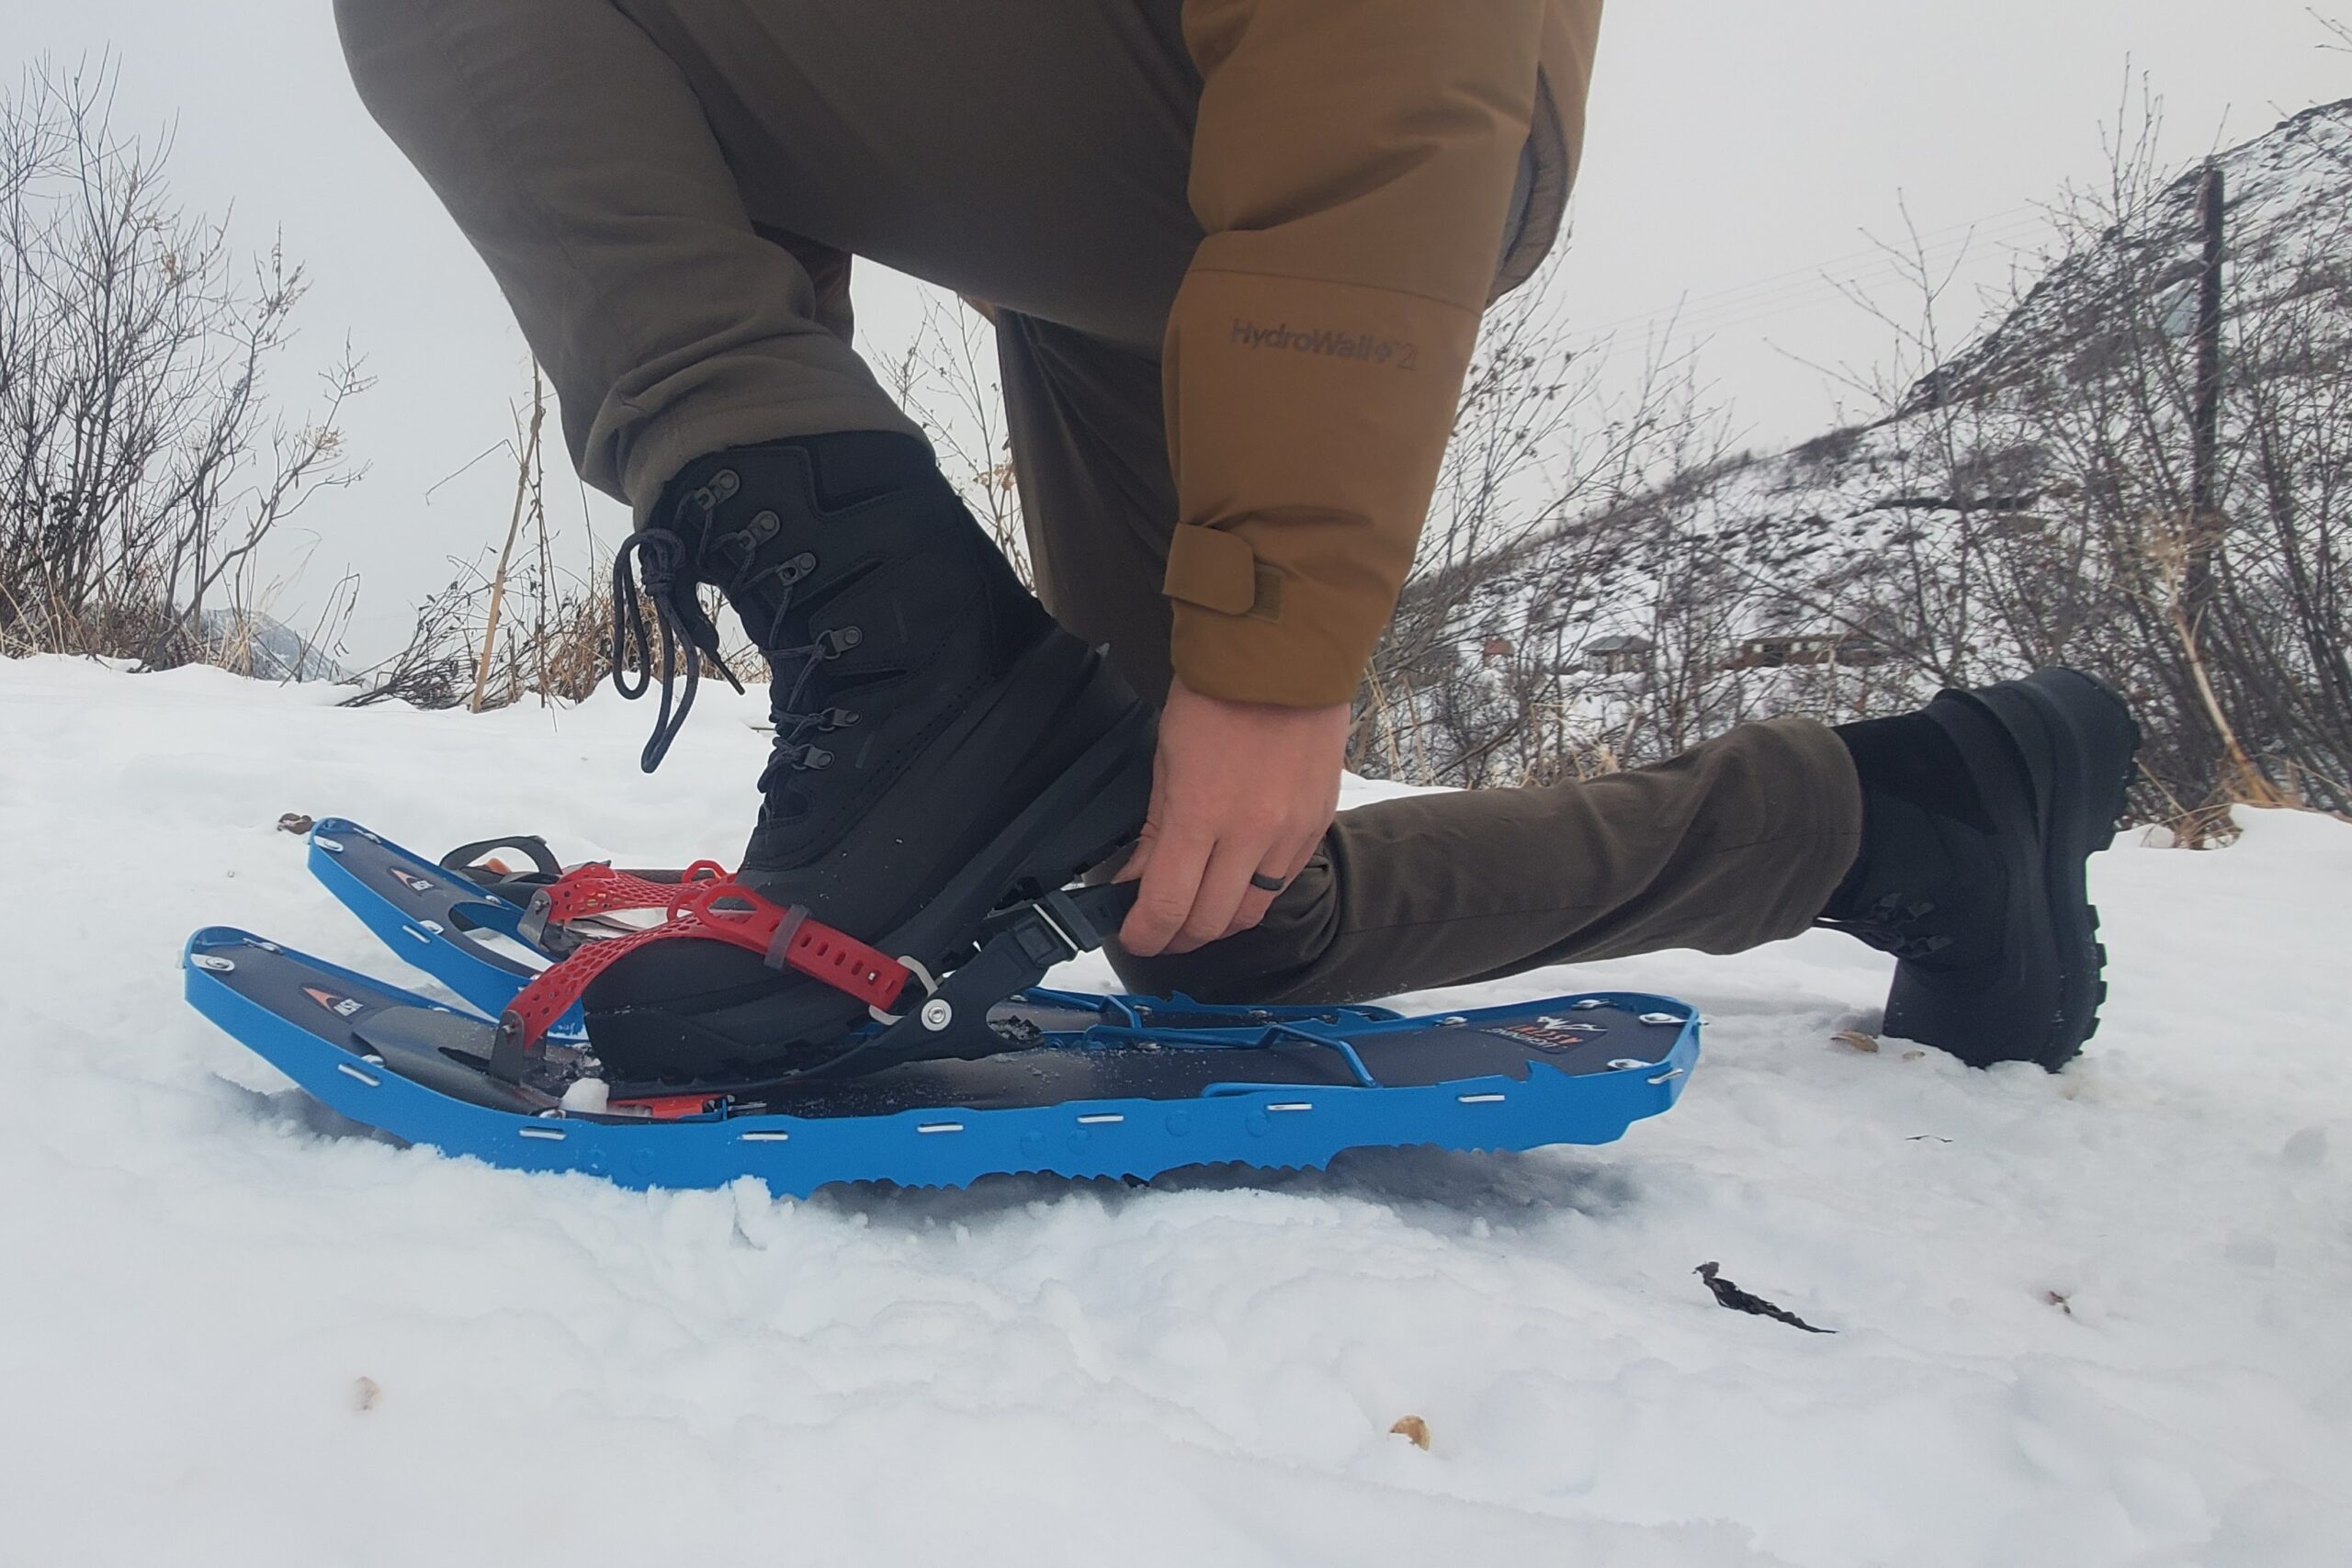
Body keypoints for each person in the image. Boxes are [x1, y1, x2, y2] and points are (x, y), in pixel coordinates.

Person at [334, 0, 2139, 1081]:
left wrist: (1269, 643)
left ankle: (929, 678)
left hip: (1321, 88)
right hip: (1123, 155)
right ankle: (1908, 818)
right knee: (1191, 900)